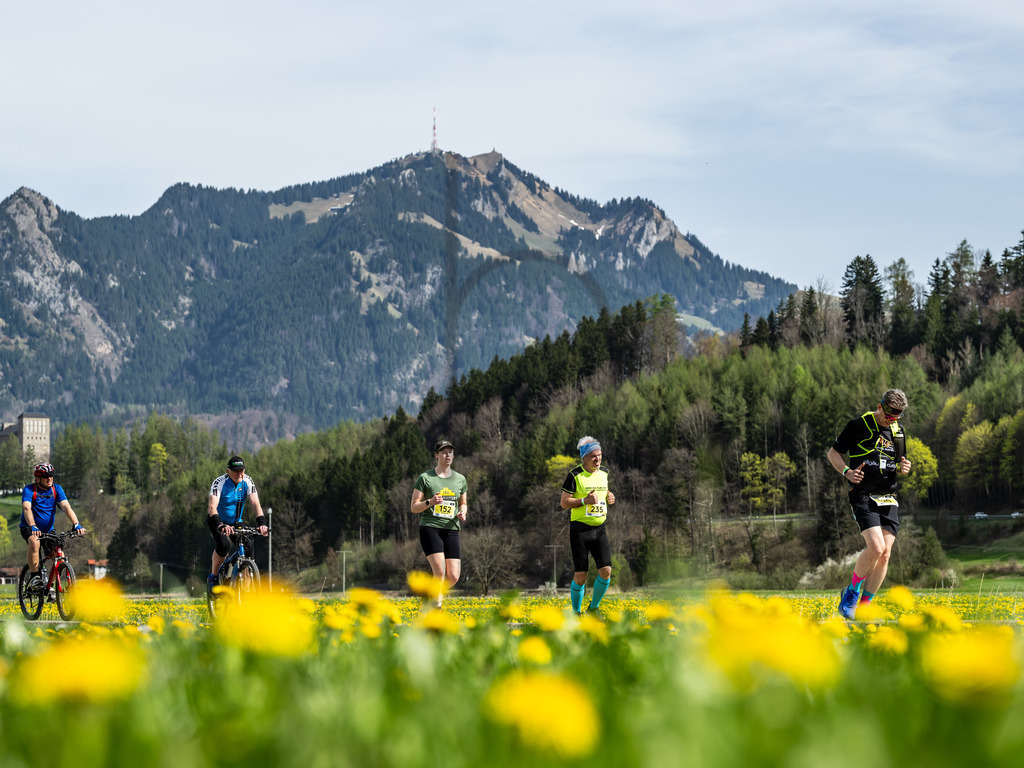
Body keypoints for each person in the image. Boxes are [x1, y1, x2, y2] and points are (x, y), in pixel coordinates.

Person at [827, 389, 913, 620]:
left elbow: (900, 462)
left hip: (888, 496)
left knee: (885, 554)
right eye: (889, 414)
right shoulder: (858, 425)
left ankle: (865, 606)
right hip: (863, 494)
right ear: (880, 405)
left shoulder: (898, 431)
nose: (892, 419)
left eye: (898, 415)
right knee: (875, 548)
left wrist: (905, 467)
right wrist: (846, 471)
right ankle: (851, 593)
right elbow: (833, 453)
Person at [560, 436, 616, 615]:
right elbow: (564, 502)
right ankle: (576, 612)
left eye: (599, 455)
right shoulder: (574, 475)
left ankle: (593, 608)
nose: (598, 459)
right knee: (581, 576)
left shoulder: (605, 472)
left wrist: (610, 496)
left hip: (600, 529)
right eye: (593, 456)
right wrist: (585, 501)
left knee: (606, 571)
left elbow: (603, 488)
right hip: (580, 531)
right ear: (583, 458)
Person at [410, 440, 467, 608]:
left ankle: (430, 597)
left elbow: (463, 502)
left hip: (451, 529)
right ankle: (437, 609)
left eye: (450, 452)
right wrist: (431, 502)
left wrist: (463, 512)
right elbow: (414, 507)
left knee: (454, 576)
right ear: (436, 456)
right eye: (443, 452)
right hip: (430, 527)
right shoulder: (425, 478)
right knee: (440, 570)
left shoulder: (460, 479)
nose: (447, 455)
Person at [20, 463, 85, 590]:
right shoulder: (29, 490)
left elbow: (66, 507)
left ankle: (51, 585)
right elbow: (26, 508)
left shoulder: (57, 489)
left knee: (59, 556)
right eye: (45, 476)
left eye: (51, 476)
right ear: (37, 478)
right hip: (29, 527)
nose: (49, 478)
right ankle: (35, 578)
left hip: (48, 530)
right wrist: (33, 526)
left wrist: (76, 524)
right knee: (34, 542)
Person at [207, 456, 267, 588]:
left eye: (242, 470)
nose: (239, 474)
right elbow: (212, 507)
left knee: (248, 546)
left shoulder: (247, 481)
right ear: (228, 471)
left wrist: (262, 523)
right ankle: (214, 577)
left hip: (236, 522)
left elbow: (255, 503)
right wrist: (220, 524)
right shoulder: (219, 482)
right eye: (235, 471)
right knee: (223, 546)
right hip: (217, 520)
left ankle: (246, 585)